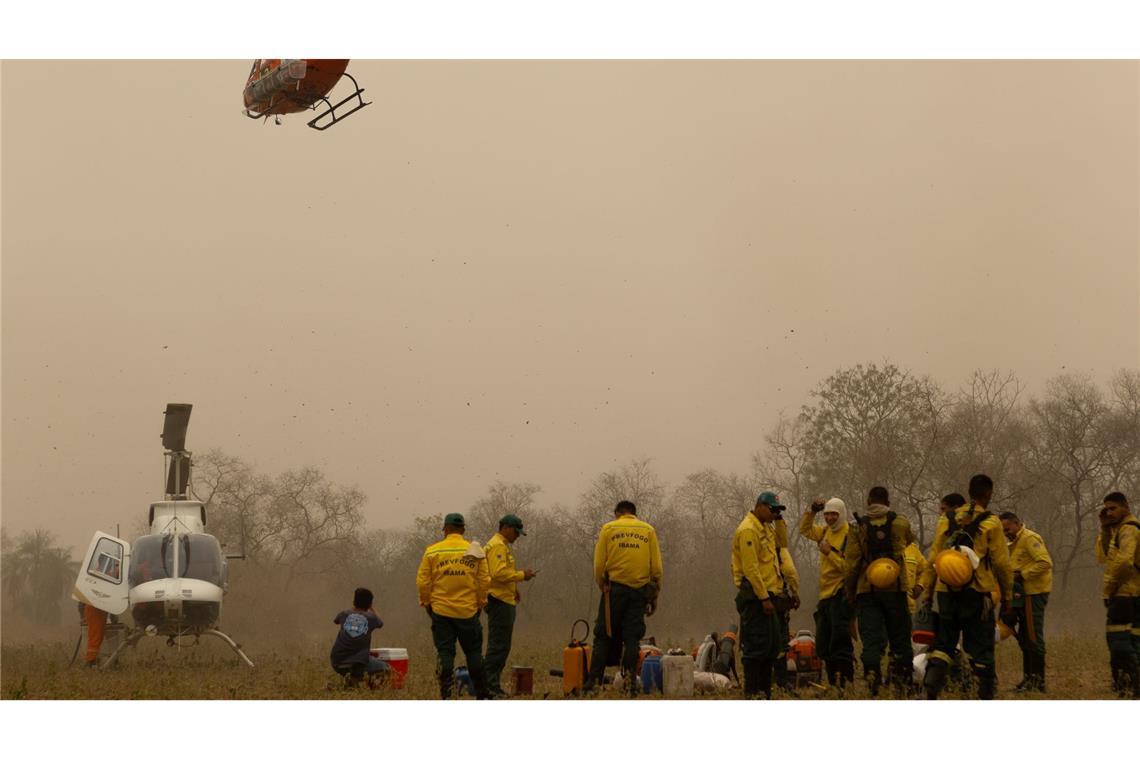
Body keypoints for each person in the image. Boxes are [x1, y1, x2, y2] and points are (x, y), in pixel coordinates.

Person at [917, 474, 1013, 700]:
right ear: (988, 494)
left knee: (943, 645)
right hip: (977, 594)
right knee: (981, 648)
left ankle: (930, 692)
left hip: (945, 593)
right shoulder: (991, 522)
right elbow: (1001, 563)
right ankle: (983, 696)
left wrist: (929, 595)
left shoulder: (946, 519)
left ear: (969, 492)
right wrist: (1007, 597)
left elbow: (933, 560)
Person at [584, 500, 663, 696]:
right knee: (632, 639)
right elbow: (657, 569)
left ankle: (593, 684)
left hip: (614, 591)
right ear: (634, 514)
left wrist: (603, 585)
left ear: (617, 513)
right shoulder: (648, 531)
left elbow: (599, 565)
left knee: (602, 636)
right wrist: (654, 596)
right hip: (639, 592)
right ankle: (629, 684)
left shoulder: (609, 529)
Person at [844, 486, 915, 696]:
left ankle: (874, 687)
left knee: (871, 643)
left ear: (868, 501)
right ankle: (903, 686)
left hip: (867, 592)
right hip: (897, 590)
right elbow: (910, 539)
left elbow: (851, 564)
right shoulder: (901, 522)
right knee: (901, 641)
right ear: (888, 501)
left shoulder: (857, 527)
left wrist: (850, 591)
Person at [416, 512, 492, 699]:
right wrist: (480, 603)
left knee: (445, 652)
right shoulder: (475, 551)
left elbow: (422, 582)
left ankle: (446, 694)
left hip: (441, 612)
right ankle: (482, 694)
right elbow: (484, 581)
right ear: (463, 529)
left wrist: (426, 603)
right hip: (468, 612)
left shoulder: (432, 551)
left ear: (446, 529)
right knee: (474, 652)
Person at [731, 491, 785, 698]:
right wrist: (763, 598)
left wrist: (778, 519)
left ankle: (764, 693)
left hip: (768, 596)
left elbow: (783, 543)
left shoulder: (766, 529)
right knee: (755, 648)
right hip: (755, 597)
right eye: (772, 510)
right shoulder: (748, 530)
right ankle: (752, 694)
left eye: (777, 511)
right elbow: (751, 568)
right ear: (760, 506)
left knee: (770, 648)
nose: (774, 514)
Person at [800, 497, 854, 687]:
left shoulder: (850, 535)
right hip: (824, 597)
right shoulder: (824, 531)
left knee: (840, 644)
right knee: (824, 645)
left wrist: (829, 553)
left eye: (834, 514)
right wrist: (812, 512)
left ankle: (845, 685)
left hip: (840, 595)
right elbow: (805, 530)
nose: (830, 518)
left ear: (842, 514)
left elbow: (849, 569)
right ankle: (833, 685)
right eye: (827, 514)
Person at [482, 514, 538, 698]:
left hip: (504, 598)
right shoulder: (497, 545)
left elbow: (500, 574)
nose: (517, 536)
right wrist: (522, 575)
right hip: (499, 601)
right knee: (498, 646)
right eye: (516, 532)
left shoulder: (500, 545)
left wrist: (514, 589)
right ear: (505, 527)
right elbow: (498, 573)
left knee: (501, 645)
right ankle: (489, 687)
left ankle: (492, 685)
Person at [1000, 511, 1052, 692]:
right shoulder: (1011, 543)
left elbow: (1045, 562)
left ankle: (1038, 683)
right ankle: (1029, 679)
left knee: (1033, 637)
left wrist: (1023, 575)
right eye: (1003, 530)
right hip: (1021, 596)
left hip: (1033, 593)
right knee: (1025, 637)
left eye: (1007, 528)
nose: (1006, 532)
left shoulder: (1030, 538)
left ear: (1017, 523)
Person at [1096, 492, 1140, 697]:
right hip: (1131, 593)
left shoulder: (1129, 530)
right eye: (1107, 509)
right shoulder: (1118, 529)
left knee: (1119, 641)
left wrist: (1109, 588)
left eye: (1113, 508)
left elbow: (1123, 562)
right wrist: (1105, 528)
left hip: (1125, 594)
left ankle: (1126, 685)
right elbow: (1103, 556)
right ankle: (1128, 685)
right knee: (1133, 640)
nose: (1110, 512)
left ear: (1125, 507)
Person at [329, 587, 389, 686]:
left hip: (336, 662)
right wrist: (371, 608)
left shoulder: (344, 614)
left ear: (354, 601)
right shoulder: (372, 618)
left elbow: (336, 620)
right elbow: (380, 623)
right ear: (369, 604)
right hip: (357, 664)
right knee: (386, 669)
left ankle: (347, 685)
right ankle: (359, 687)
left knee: (362, 667)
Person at [772, 514, 801, 691]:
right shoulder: (780, 549)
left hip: (760, 599)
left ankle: (767, 680)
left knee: (764, 641)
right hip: (778, 599)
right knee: (781, 640)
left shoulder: (762, 541)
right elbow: (790, 572)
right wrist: (796, 593)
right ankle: (782, 681)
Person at [81, 602, 108, 668]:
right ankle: (91, 660)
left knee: (99, 636)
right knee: (95, 636)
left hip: (101, 608)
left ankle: (94, 659)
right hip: (95, 609)